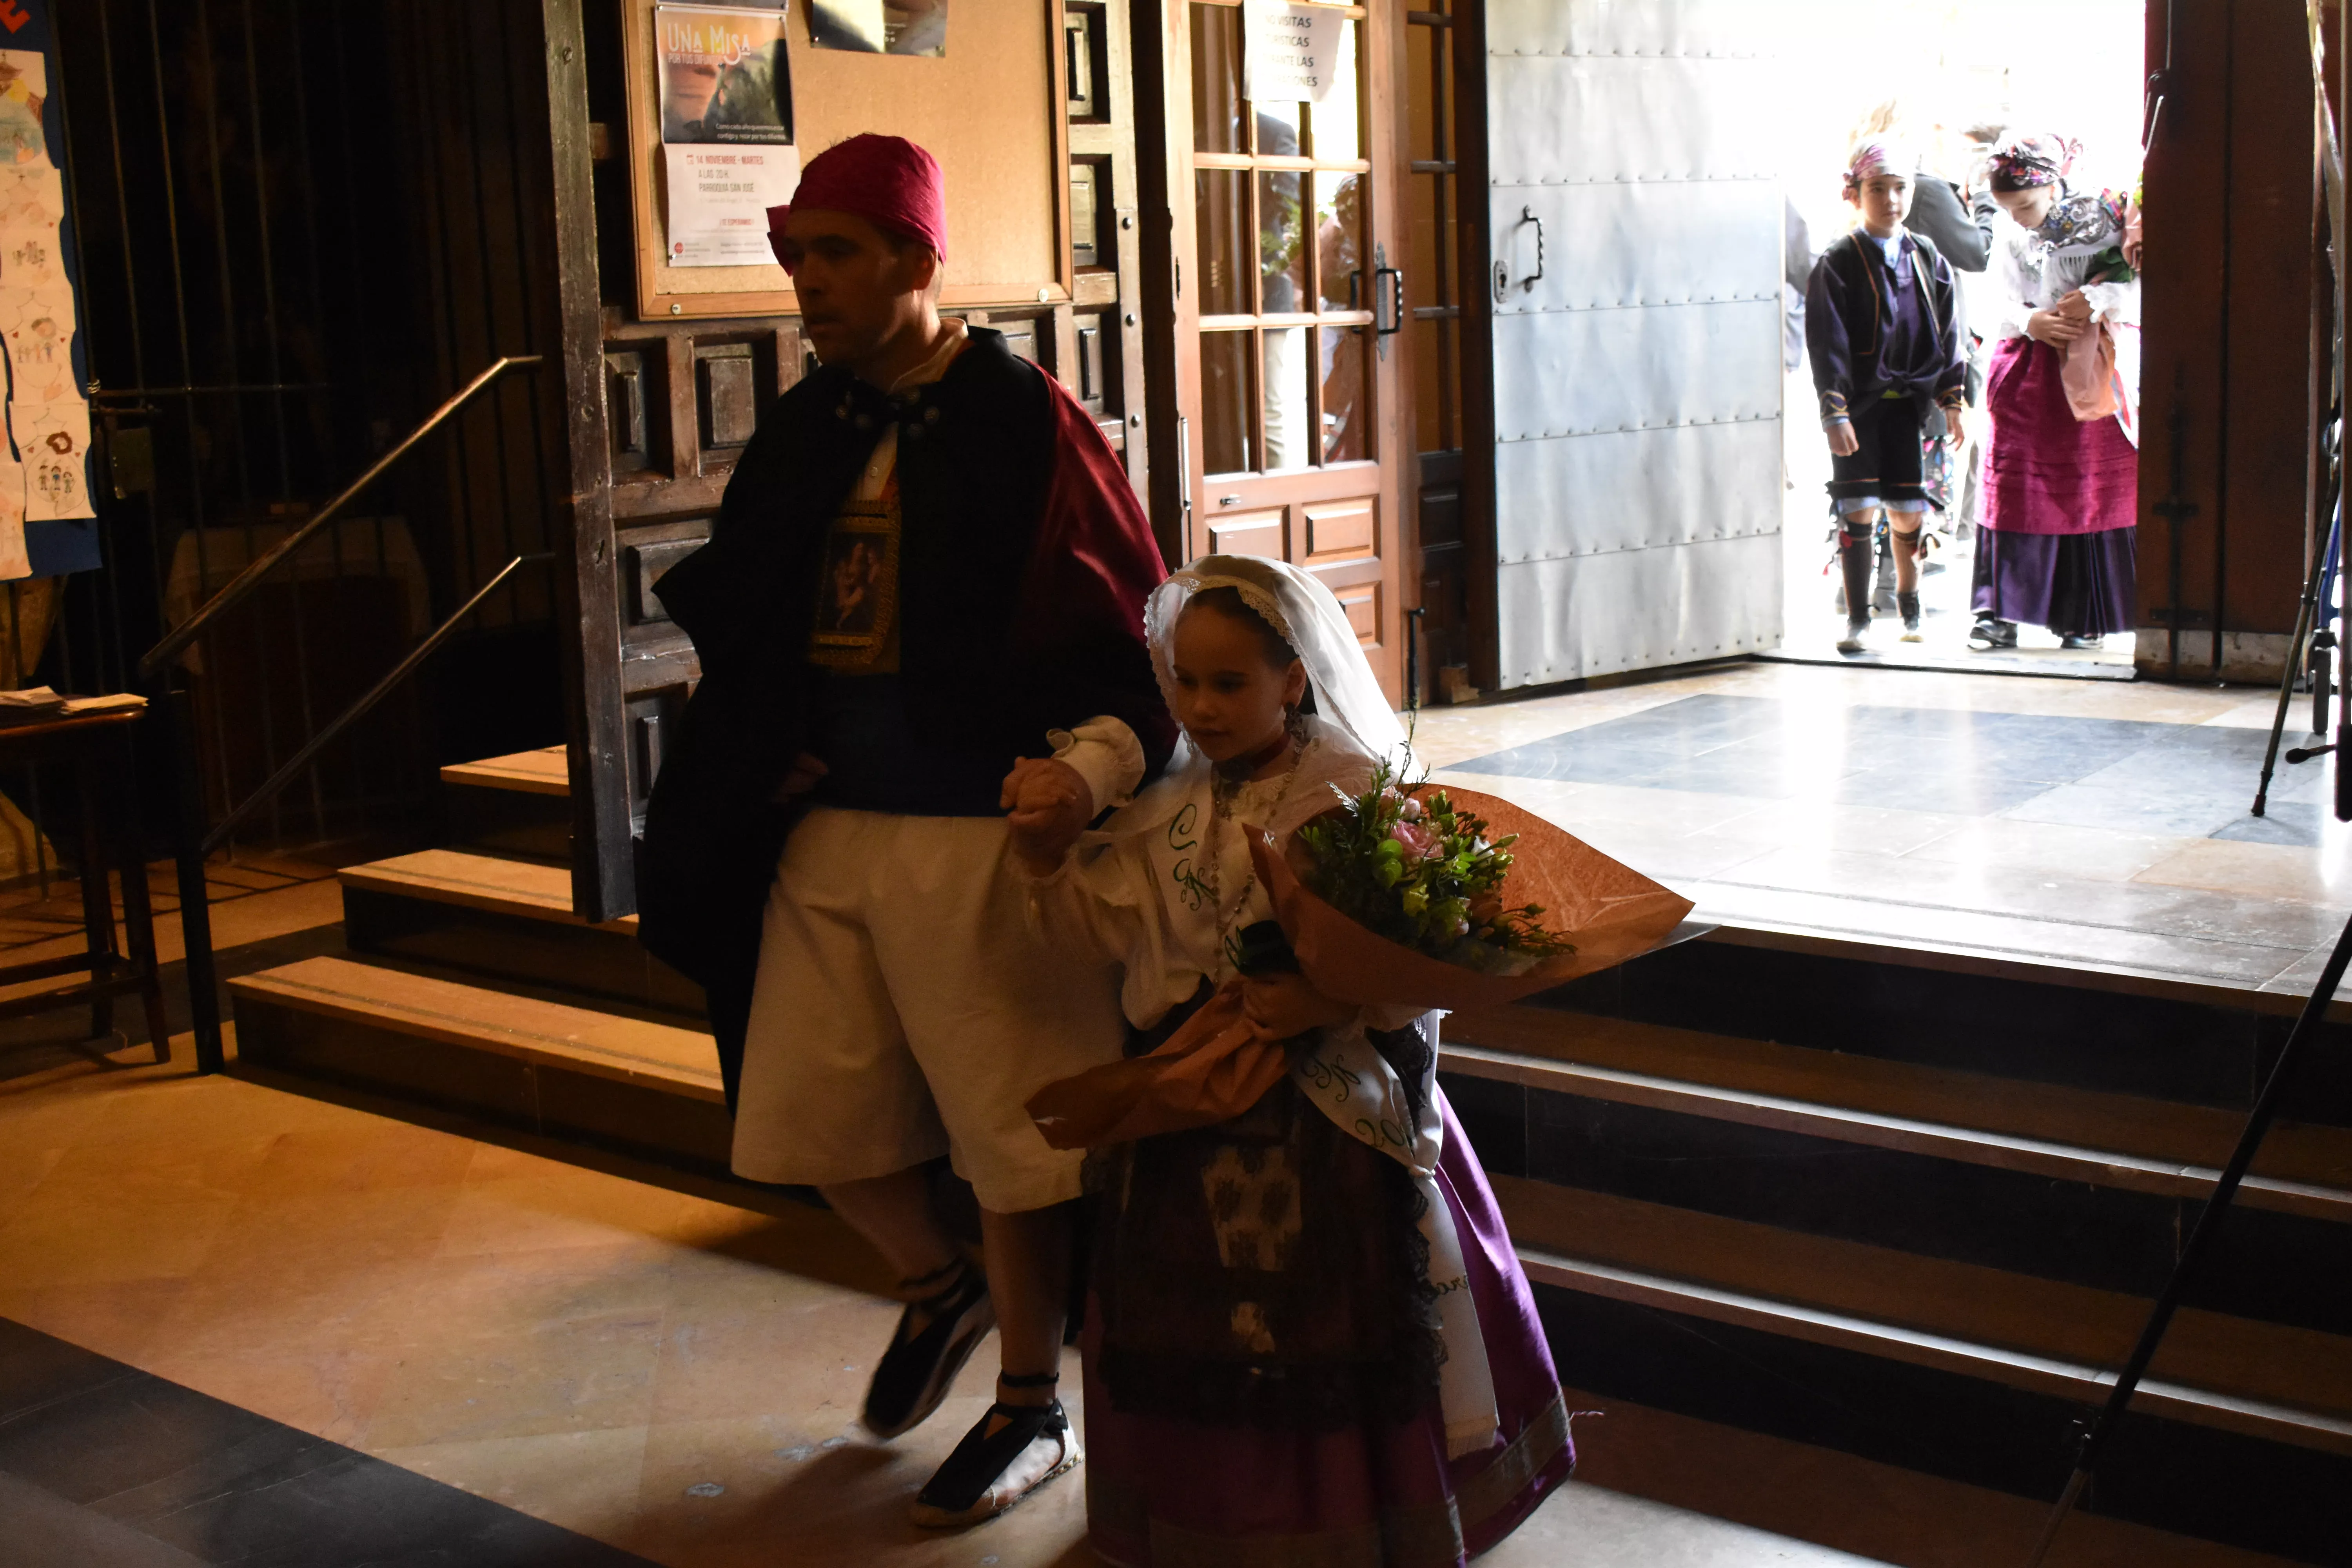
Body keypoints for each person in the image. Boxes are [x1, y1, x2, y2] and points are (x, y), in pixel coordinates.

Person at [633, 133, 1177, 1527]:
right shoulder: (810, 423)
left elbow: (1123, 607)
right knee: (802, 1108)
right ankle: (935, 1287)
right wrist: (766, 736)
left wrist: (1081, 771)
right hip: (829, 823)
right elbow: (753, 606)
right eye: (795, 254)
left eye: (836, 254)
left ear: (919, 263)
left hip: (977, 832)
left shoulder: (1020, 413)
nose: (805, 282)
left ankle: (1029, 1406)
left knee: (1012, 1133)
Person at [1005, 555, 1574, 1566]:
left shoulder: (1352, 791)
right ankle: (1206, 1516)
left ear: (1294, 679)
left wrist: (1331, 995)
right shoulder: (1172, 796)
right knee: (1186, 1318)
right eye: (1186, 681)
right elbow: (1113, 925)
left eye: (1231, 684)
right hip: (1190, 1104)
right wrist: (1052, 860)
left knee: (1329, 1323)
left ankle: (1346, 1519)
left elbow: (1424, 953)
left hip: (1326, 1109)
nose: (1204, 706)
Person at [1971, 132, 2139, 651]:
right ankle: (1997, 612)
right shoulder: (2009, 230)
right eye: (2007, 208)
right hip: (2028, 367)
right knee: (2015, 488)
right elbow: (1994, 297)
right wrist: (2031, 321)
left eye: (2025, 206)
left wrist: (2097, 298)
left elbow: (2136, 288)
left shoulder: (2106, 220)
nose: (2018, 218)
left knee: (2091, 488)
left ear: (2053, 186)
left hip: (2094, 366)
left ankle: (2084, 612)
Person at [1806, 140, 1969, 651]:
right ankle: (1858, 618)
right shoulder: (1839, 261)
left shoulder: (1926, 255)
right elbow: (1827, 342)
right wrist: (1834, 411)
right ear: (1855, 194)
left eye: (1901, 189)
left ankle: (1909, 606)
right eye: (1878, 189)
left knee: (1908, 511)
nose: (1891, 199)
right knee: (1857, 508)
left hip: (1910, 409)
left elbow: (1949, 330)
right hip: (1859, 408)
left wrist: (1952, 400)